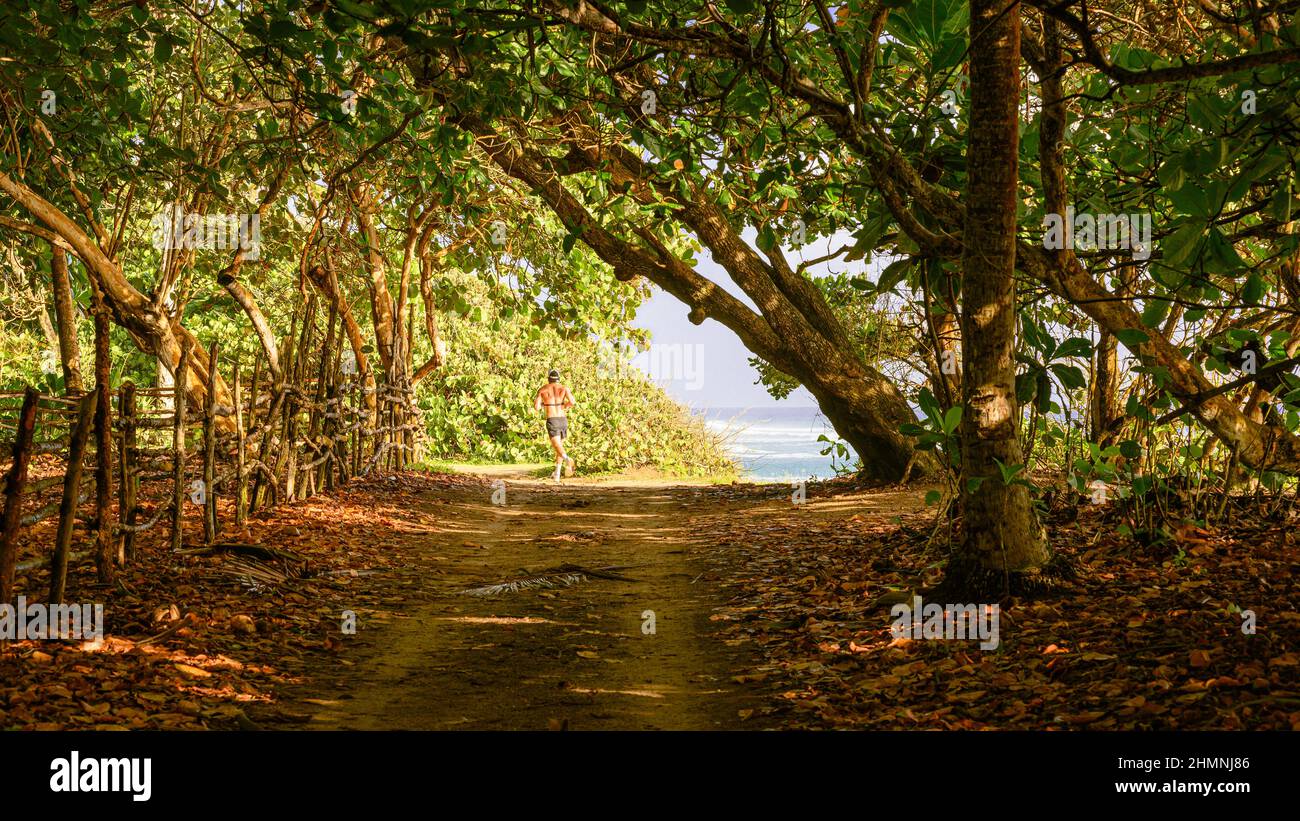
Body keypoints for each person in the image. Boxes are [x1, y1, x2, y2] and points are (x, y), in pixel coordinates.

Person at [535, 369, 576, 481]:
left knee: (557, 446)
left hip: (552, 419)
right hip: (563, 419)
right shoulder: (564, 388)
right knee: (559, 447)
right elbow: (572, 402)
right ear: (558, 378)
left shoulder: (543, 389)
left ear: (548, 378)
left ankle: (567, 459)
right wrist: (564, 406)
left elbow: (537, 407)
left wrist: (545, 404)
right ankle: (557, 474)